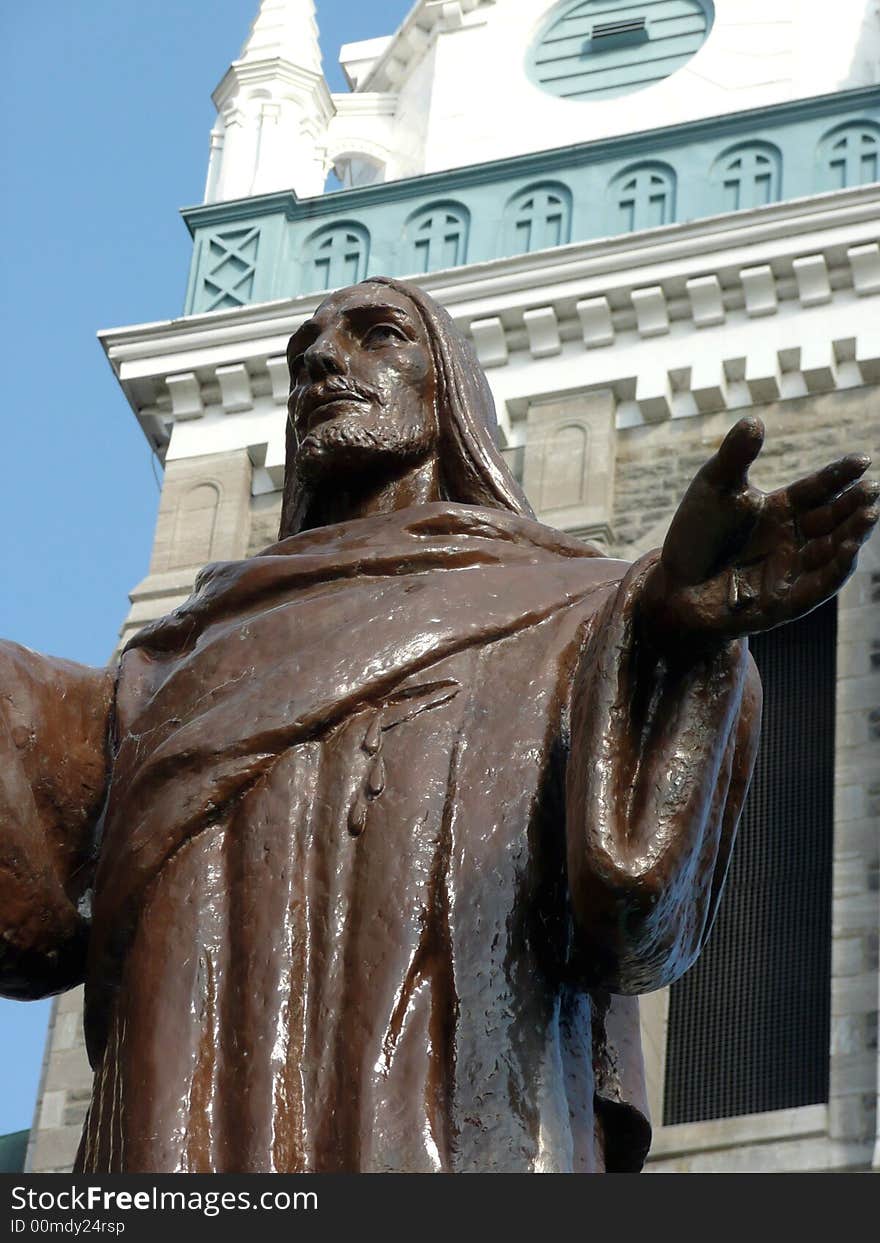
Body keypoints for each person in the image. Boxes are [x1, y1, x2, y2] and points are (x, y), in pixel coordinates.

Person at [0, 278, 876, 1173]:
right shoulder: (178, 659)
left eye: (376, 334)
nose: (324, 363)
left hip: (456, 1113)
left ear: (448, 390)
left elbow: (632, 912)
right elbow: (34, 856)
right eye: (304, 355)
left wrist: (671, 638)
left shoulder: (570, 609)